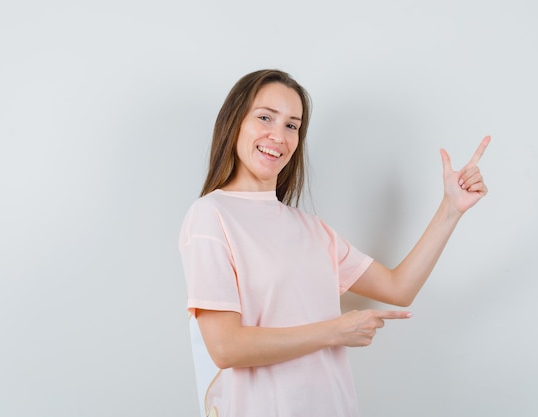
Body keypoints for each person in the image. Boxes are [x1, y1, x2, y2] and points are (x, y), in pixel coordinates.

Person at [179, 69, 490, 417]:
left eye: (292, 125)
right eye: (265, 117)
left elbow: (399, 287)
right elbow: (225, 347)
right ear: (234, 122)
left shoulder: (312, 229)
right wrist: (335, 331)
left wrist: (450, 209)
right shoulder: (211, 215)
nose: (278, 136)